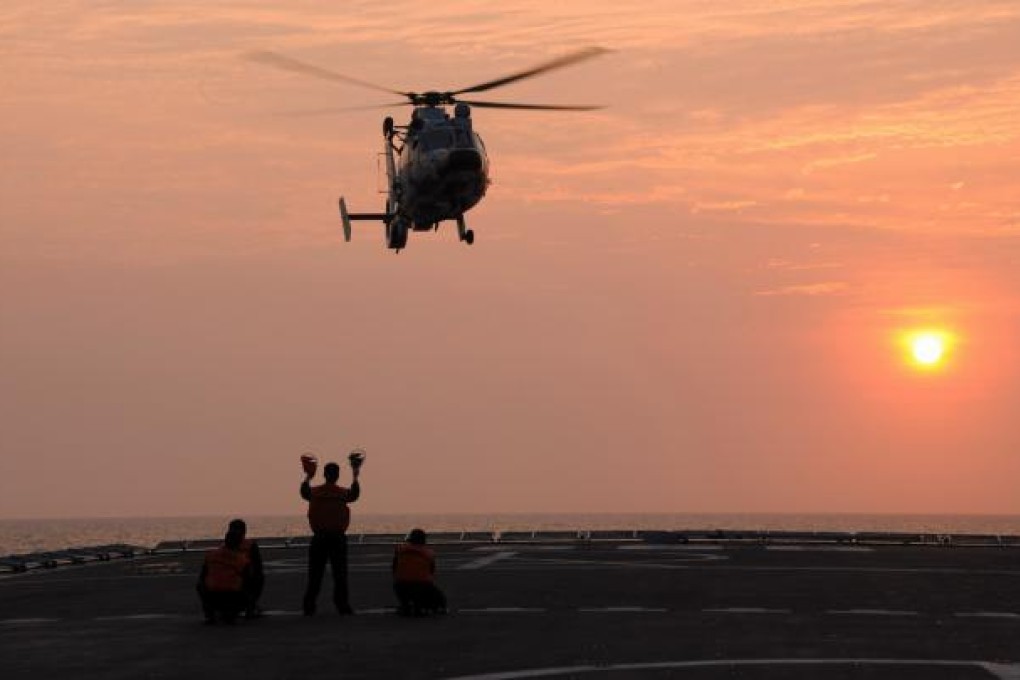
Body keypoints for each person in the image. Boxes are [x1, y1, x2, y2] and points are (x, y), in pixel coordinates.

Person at [300, 457, 362, 616]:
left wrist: (308, 475)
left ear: (324, 475)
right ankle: (342, 605)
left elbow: (304, 492)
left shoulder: (315, 492)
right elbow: (354, 495)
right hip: (337, 538)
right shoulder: (342, 493)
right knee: (340, 574)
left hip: (319, 538)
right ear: (337, 475)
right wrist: (355, 475)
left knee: (315, 575)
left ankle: (309, 606)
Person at [197, 527, 250, 624]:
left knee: (200, 584)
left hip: (211, 595)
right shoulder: (241, 559)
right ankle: (238, 610)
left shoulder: (211, 555)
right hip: (233, 596)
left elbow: (203, 575)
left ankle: (210, 612)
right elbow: (248, 579)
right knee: (250, 582)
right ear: (240, 543)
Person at [392, 528, 447, 616]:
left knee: (399, 585)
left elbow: (394, 567)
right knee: (440, 600)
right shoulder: (429, 553)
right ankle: (421, 605)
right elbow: (431, 571)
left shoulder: (399, 549)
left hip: (401, 585)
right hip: (422, 585)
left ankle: (406, 605)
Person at [228, 518, 264, 618]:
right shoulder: (250, 546)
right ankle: (250, 605)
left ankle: (210, 611)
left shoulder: (220, 549)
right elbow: (258, 567)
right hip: (241, 582)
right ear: (244, 532)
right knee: (259, 577)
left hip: (219, 585)